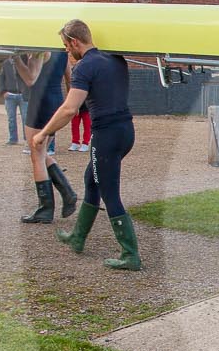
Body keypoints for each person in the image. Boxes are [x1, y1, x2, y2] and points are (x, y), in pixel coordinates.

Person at [30, 19, 138, 270]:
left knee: (110, 193)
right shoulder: (116, 60)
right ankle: (77, 237)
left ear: (74, 42)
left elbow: (69, 109)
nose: (67, 52)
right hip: (125, 131)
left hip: (106, 136)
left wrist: (43, 134)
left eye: (66, 47)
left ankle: (131, 254)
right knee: (92, 179)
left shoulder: (84, 67)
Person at [19, 47, 76, 224]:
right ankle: (67, 194)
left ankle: (46, 208)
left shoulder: (39, 50)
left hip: (39, 103)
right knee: (42, 153)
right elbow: (70, 79)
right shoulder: (62, 51)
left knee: (36, 155)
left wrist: (14, 59)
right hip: (55, 101)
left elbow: (30, 78)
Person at [0, 55, 27, 146]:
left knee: (25, 118)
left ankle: (27, 138)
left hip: (23, 94)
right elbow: (1, 77)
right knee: (11, 118)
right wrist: (3, 91)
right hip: (10, 94)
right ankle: (13, 138)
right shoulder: (6, 63)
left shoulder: (24, 61)